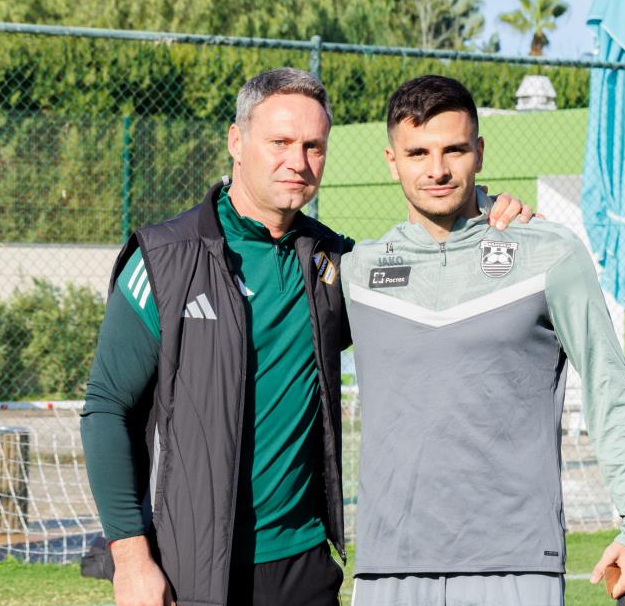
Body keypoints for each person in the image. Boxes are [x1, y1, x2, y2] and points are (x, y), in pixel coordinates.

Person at [80, 67, 530, 606]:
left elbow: (435, 282)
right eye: (280, 142)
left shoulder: (338, 264)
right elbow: (107, 409)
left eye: (313, 146)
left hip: (306, 566)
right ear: (237, 141)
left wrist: (484, 215)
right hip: (193, 568)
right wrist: (131, 560)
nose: (298, 161)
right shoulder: (164, 260)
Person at [341, 75, 625, 606]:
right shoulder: (357, 270)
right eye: (418, 153)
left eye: (454, 150)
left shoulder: (548, 253)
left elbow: (608, 386)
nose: (437, 169)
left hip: (516, 563)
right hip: (387, 566)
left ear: (480, 152)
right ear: (392, 161)